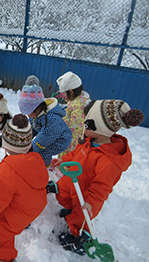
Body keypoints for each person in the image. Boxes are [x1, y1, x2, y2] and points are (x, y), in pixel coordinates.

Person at [47, 99, 144, 256]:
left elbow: (102, 186)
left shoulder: (109, 159)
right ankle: (70, 209)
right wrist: (64, 160)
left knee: (80, 218)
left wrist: (91, 202)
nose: (83, 129)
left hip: (87, 197)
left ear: (99, 129)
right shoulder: (89, 141)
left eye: (86, 126)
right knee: (65, 192)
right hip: (75, 183)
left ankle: (78, 240)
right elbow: (76, 155)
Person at [0, 113, 49, 262]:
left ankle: (6, 259)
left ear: (4, 143)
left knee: (1, 235)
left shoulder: (7, 170)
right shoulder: (36, 159)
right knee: (14, 221)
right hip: (37, 203)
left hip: (22, 211)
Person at [18, 84, 72, 166]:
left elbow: (42, 141)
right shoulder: (36, 114)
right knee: (35, 149)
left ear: (36, 108)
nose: (28, 115)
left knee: (43, 151)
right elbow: (31, 128)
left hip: (61, 140)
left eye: (29, 112)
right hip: (48, 134)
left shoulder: (52, 120)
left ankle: (43, 167)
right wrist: (22, 141)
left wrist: (28, 151)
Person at [56, 71, 90, 157]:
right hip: (71, 144)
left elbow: (75, 132)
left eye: (64, 93)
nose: (63, 95)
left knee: (65, 167)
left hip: (71, 147)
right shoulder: (81, 99)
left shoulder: (78, 108)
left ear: (71, 91)